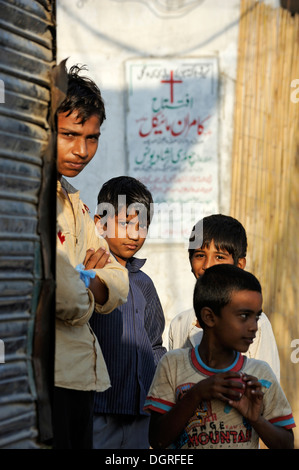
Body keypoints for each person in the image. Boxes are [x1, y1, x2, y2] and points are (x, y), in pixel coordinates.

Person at [54, 64, 129, 449]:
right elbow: (64, 297)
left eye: (92, 138)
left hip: (80, 376)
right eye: (70, 135)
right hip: (48, 377)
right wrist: (88, 284)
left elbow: (118, 277)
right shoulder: (28, 199)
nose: (82, 151)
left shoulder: (75, 203)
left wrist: (90, 278)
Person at [145, 264, 295, 449]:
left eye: (256, 317)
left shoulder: (260, 375)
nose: (254, 326)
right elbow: (157, 440)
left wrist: (256, 419)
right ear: (209, 317)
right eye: (243, 315)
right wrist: (197, 394)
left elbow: (287, 443)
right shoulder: (172, 364)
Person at [90, 176, 167, 449]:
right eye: (125, 223)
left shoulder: (144, 283)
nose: (135, 235)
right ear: (100, 223)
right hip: (98, 410)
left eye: (142, 225)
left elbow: (156, 344)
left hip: (141, 413)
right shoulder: (90, 277)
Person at [168, 214, 280, 381]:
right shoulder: (180, 323)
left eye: (219, 257)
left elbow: (268, 390)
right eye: (200, 255)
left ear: (240, 265)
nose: (207, 265)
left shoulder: (257, 323)